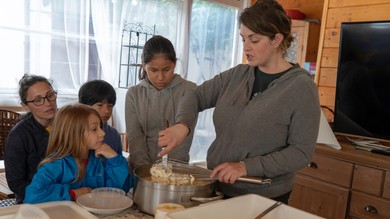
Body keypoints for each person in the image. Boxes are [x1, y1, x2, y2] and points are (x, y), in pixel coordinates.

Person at [158, 0, 321, 204]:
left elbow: (301, 152)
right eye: (243, 39)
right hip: (217, 186)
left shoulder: (301, 87)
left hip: (263, 197)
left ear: (277, 39)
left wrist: (245, 167)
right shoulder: (238, 75)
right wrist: (183, 125)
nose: (246, 47)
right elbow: (194, 95)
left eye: (254, 40)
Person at [24, 104, 130, 204]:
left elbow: (119, 192)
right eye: (94, 129)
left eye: (100, 127)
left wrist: (114, 159)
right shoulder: (55, 165)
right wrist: (72, 193)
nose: (103, 133)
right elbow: (32, 196)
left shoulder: (100, 160)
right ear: (74, 134)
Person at [125, 35, 197, 172]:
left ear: (174, 64)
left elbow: (184, 140)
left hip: (176, 172)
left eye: (166, 70)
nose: (160, 77)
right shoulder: (134, 94)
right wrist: (146, 172)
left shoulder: (189, 91)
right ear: (144, 66)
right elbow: (135, 140)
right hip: (141, 172)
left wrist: (168, 172)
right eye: (153, 70)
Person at [4, 74, 57, 204]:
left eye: (50, 95)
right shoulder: (18, 135)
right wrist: (52, 194)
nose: (48, 103)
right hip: (33, 200)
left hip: (68, 196)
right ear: (25, 105)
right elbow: (16, 183)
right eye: (38, 100)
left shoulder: (67, 124)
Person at [79, 79, 123, 155]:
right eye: (100, 105)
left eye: (110, 106)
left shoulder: (114, 134)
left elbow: (119, 161)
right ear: (84, 105)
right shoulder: (74, 131)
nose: (107, 111)